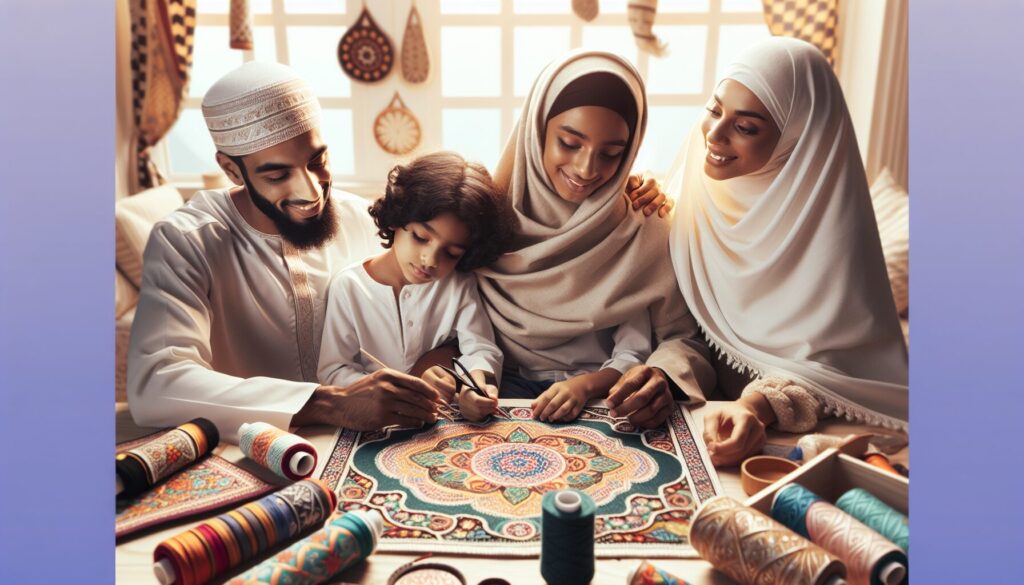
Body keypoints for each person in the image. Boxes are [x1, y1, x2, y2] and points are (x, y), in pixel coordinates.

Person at [127, 62, 444, 439]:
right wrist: (333, 403)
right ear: (231, 170)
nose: (311, 193)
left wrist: (427, 371)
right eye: (277, 176)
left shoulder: (362, 218)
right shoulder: (187, 240)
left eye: (317, 162)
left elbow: (438, 308)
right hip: (258, 454)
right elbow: (156, 384)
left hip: (380, 443)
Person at [659, 37, 909, 466]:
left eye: (746, 126)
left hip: (770, 438)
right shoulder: (686, 202)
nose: (714, 135)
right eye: (715, 109)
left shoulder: (831, 231)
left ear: (797, 138)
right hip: (687, 414)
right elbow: (673, 321)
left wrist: (756, 405)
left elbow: (833, 371)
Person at [463, 50, 715, 425]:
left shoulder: (646, 225)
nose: (586, 169)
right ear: (537, 132)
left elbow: (683, 341)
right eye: (569, 143)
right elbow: (445, 318)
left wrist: (659, 376)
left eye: (612, 153)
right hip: (494, 407)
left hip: (604, 410)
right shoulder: (481, 219)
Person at [318, 152, 517, 422]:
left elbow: (481, 349)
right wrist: (390, 391)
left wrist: (472, 387)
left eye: (452, 253)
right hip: (372, 422)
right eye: (422, 237)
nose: (431, 260)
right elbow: (333, 370)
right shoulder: (349, 287)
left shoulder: (457, 285)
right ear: (396, 218)